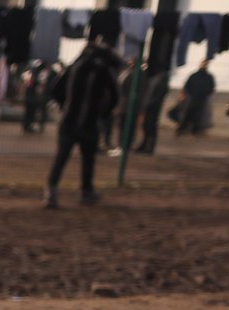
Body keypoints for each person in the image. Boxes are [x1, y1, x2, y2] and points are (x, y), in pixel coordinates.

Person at [43, 41, 120, 209]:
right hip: (90, 122)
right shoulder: (105, 72)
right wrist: (103, 113)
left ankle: (51, 192)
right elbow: (115, 97)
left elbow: (56, 89)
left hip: (69, 120)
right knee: (88, 159)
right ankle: (86, 191)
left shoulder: (76, 66)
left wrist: (66, 105)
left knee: (61, 157)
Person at [175, 59, 215, 137]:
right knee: (188, 113)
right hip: (192, 98)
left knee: (198, 115)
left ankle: (194, 130)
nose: (204, 65)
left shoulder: (209, 77)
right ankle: (182, 128)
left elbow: (211, 87)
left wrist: (205, 94)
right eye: (203, 64)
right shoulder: (194, 75)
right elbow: (187, 85)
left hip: (201, 99)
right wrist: (185, 94)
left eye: (205, 64)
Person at [135, 68, 170, 154]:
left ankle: (150, 147)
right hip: (148, 106)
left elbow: (157, 96)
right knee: (145, 126)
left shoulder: (162, 80)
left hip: (153, 108)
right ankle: (144, 144)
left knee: (151, 127)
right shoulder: (152, 78)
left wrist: (150, 104)